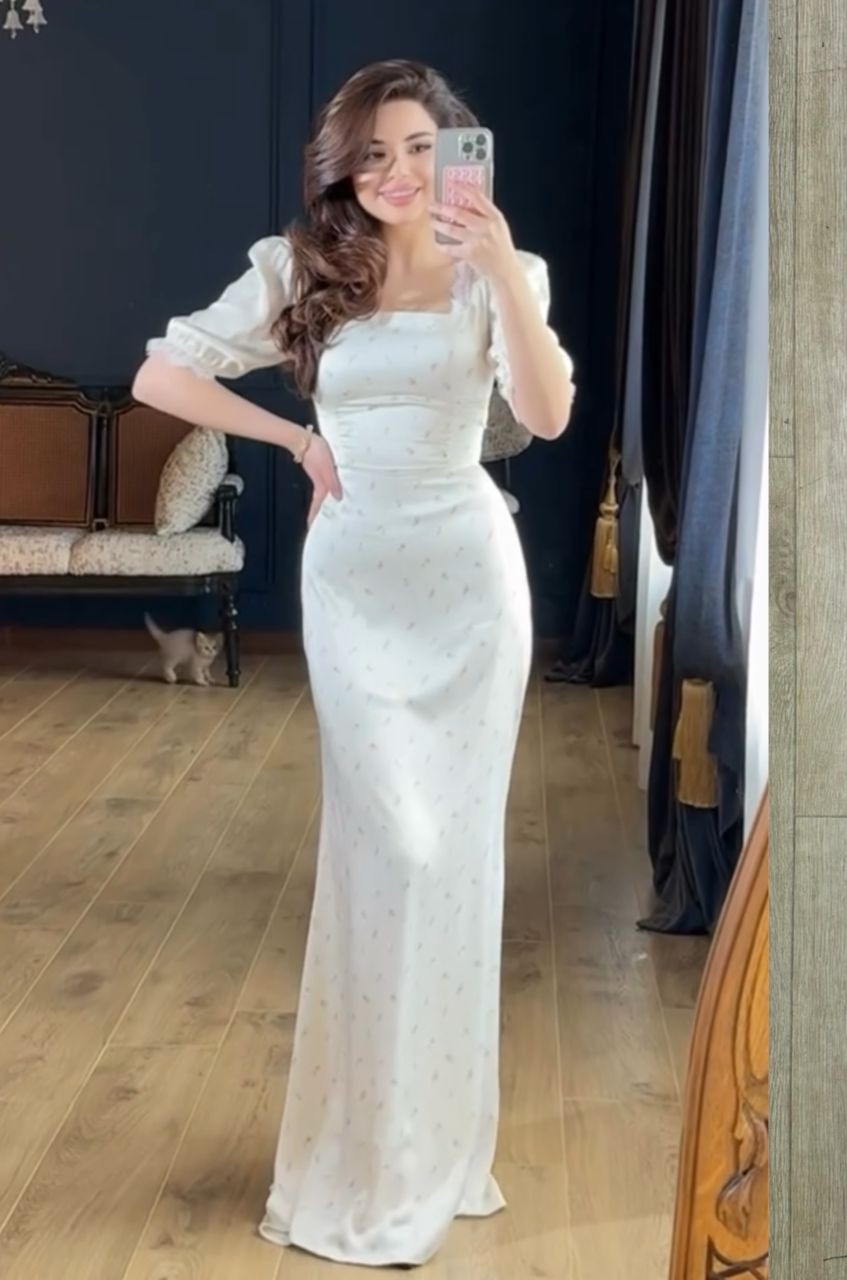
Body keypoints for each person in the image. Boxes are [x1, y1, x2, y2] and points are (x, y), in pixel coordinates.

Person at [131, 59, 574, 1269]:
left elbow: (543, 416)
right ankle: (365, 1142)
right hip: (355, 582)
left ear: (458, 152)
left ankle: (433, 1143)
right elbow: (161, 370)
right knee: (389, 852)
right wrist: (292, 438)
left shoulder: (501, 270)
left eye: (419, 147)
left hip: (469, 581)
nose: (396, 173)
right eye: (371, 154)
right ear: (342, 168)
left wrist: (502, 272)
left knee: (452, 864)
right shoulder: (299, 269)